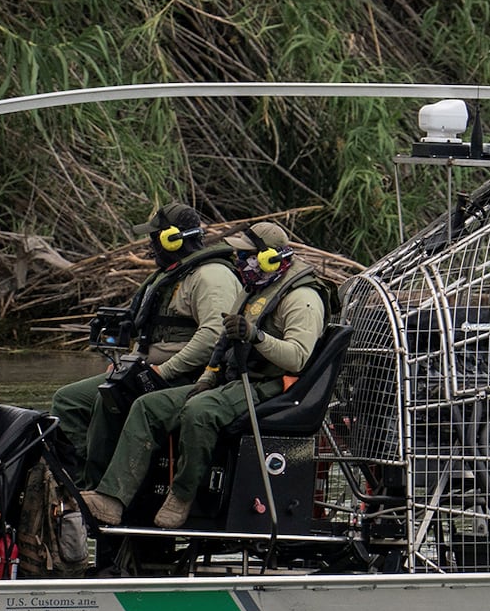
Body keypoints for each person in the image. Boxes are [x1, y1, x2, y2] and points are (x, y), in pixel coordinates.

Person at [83, 220, 327, 531]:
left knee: (200, 412)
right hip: (232, 378)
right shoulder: (254, 289)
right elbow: (222, 343)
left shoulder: (302, 299)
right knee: (148, 406)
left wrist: (256, 336)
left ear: (269, 258)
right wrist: (207, 377)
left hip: (270, 385)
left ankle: (182, 496)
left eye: (245, 256)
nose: (238, 261)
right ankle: (112, 500)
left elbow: (298, 357)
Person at [51, 202, 244, 487]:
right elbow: (152, 333)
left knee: (110, 398)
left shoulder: (211, 276)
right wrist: (126, 364)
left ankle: (98, 488)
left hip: (187, 375)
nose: (151, 245)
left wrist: (163, 370)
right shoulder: (174, 274)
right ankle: (78, 485)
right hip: (147, 369)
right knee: (69, 400)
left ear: (173, 239)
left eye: (155, 237)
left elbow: (214, 335)